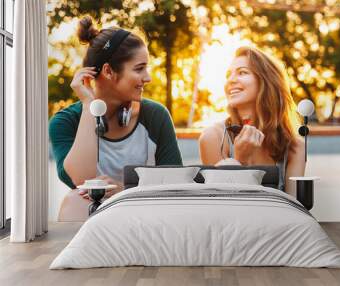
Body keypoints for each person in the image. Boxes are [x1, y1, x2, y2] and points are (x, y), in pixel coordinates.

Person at [49, 16, 182, 220]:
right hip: (98, 215)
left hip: (147, 209)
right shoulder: (65, 122)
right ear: (109, 71)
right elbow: (82, 181)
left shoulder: (156, 116)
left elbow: (177, 185)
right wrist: (88, 107)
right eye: (139, 69)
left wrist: (125, 191)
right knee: (74, 202)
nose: (148, 77)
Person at [199, 46, 305, 196]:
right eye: (228, 74)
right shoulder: (213, 137)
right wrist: (239, 161)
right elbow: (220, 204)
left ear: (266, 81)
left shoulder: (295, 146)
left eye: (242, 72)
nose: (231, 80)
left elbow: (294, 206)